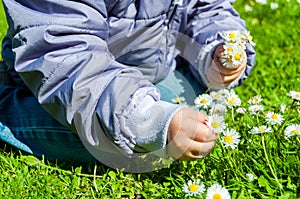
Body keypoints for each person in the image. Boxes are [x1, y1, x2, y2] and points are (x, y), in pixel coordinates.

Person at [0, 0, 255, 171]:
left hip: (150, 69)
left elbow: (206, 8)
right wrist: (146, 120)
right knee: (128, 145)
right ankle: (7, 112)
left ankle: (151, 111)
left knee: (186, 99)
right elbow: (62, 50)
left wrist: (214, 48)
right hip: (74, 82)